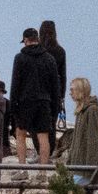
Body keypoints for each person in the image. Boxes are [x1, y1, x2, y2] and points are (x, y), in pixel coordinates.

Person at [8, 27, 59, 164]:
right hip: (44, 102)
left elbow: (15, 84)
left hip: (25, 102)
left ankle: (22, 167)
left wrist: (13, 107)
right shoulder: (49, 58)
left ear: (25, 40)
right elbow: (55, 85)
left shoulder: (20, 58)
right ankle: (43, 171)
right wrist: (55, 108)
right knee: (43, 136)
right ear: (38, 39)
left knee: (21, 134)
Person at [58, 76, 98, 184]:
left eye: (72, 90)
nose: (70, 93)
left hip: (85, 170)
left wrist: (91, 169)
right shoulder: (81, 111)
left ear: (80, 90)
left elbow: (94, 141)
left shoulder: (92, 110)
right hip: (77, 168)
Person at [39, 20, 67, 140]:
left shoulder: (38, 50)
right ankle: (49, 151)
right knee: (51, 125)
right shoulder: (60, 51)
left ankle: (40, 152)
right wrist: (62, 96)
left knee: (38, 125)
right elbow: (63, 75)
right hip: (54, 93)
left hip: (38, 92)